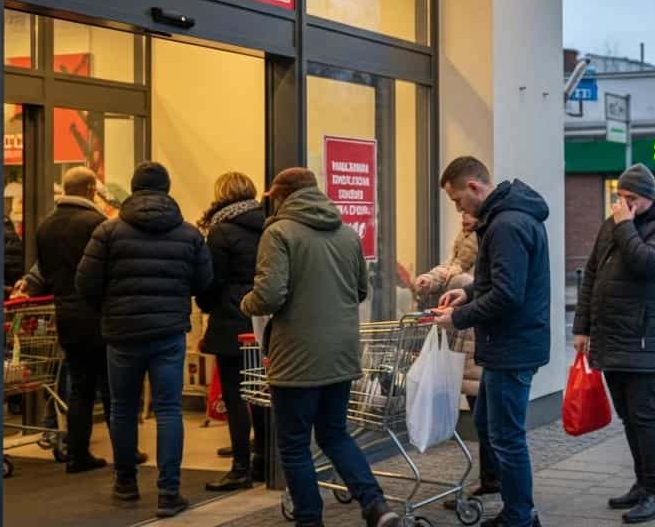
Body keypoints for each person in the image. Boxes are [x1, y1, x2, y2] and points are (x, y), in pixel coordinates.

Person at [240, 168, 402, 527]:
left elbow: (269, 295)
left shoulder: (278, 233)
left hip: (296, 357)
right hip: (341, 354)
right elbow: (361, 290)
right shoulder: (346, 233)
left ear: (281, 197)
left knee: (295, 445)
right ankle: (375, 505)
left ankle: (310, 521)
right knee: (334, 433)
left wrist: (246, 303)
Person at [76, 161, 213, 517]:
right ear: (167, 189)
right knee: (169, 409)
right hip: (168, 333)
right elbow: (203, 283)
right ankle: (169, 492)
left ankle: (125, 483)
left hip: (122, 334)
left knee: (123, 408)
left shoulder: (108, 232)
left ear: (134, 189)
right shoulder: (188, 234)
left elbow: (85, 283)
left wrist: (110, 308)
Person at [430, 157, 550, 527]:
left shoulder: (506, 224)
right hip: (511, 341)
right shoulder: (508, 217)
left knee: (507, 436)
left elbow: (508, 295)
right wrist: (467, 295)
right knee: (489, 423)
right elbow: (500, 283)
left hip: (511, 345)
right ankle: (515, 509)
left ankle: (520, 517)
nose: (458, 209)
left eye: (456, 200)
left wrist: (459, 318)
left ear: (474, 187)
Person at [573, 164, 655, 525]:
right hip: (610, 336)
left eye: (630, 198)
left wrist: (624, 225)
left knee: (644, 416)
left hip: (643, 338)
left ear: (648, 197)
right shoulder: (613, 224)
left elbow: (645, 264)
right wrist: (582, 326)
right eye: (619, 197)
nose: (623, 204)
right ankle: (641, 483)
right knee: (628, 417)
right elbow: (592, 273)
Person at [17, 167, 109, 474]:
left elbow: (44, 272)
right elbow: (103, 272)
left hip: (65, 315)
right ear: (89, 190)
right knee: (111, 387)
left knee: (80, 386)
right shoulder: (96, 224)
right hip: (97, 314)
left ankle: (77, 453)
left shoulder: (46, 226)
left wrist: (27, 285)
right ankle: (125, 450)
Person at [411, 212, 498, 509]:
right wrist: (432, 279)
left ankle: (493, 480)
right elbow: (453, 268)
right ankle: (490, 478)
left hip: (479, 337)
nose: (461, 214)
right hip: (467, 337)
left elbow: (481, 284)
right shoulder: (466, 240)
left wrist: (455, 283)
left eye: (465, 207)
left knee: (486, 416)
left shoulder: (489, 235)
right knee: (482, 415)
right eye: (457, 209)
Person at [195, 172, 268, 492]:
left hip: (231, 319)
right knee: (263, 394)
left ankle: (240, 467)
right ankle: (264, 460)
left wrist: (207, 304)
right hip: (264, 320)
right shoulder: (269, 222)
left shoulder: (221, 230)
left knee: (237, 397)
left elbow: (212, 280)